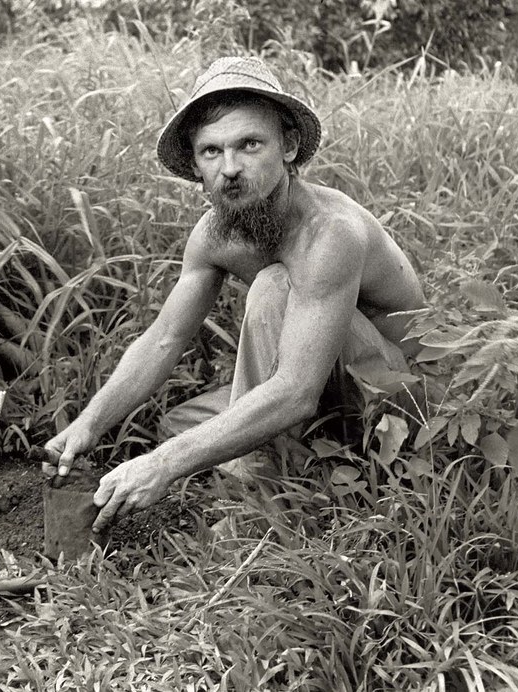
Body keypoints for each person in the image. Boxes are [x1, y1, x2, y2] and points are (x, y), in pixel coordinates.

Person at [42, 56, 426, 533]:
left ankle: (279, 513)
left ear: (288, 146)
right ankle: (300, 468)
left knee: (273, 286)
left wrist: (163, 466)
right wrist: (88, 424)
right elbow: (164, 339)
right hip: (314, 379)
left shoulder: (330, 235)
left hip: (395, 403)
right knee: (181, 425)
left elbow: (297, 393)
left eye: (249, 144)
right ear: (196, 166)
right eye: (211, 152)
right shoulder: (216, 234)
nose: (230, 169)